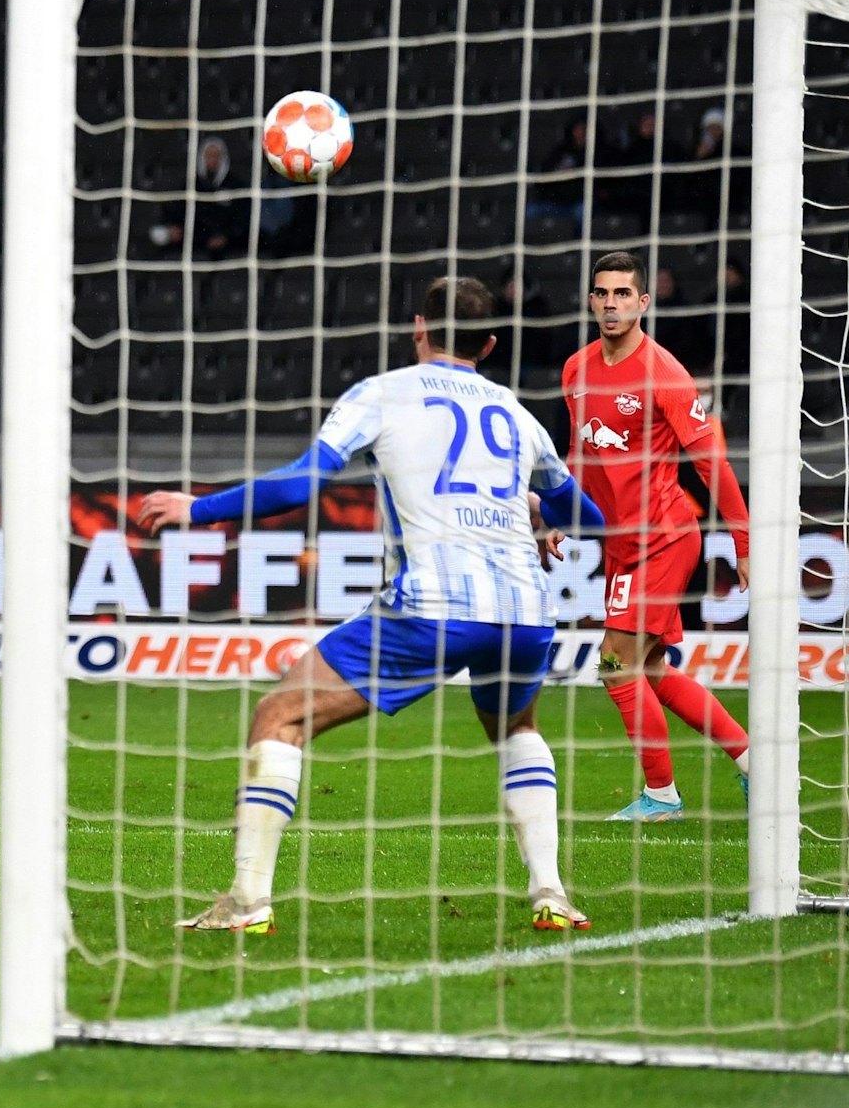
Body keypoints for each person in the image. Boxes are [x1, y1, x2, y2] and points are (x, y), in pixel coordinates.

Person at [138, 275, 604, 935]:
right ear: (491, 343)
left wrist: (199, 507)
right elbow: (580, 511)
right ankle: (551, 892)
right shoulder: (515, 413)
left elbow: (303, 480)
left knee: (279, 717)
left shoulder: (382, 393)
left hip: (434, 605)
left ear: (418, 329)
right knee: (516, 729)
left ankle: (246, 903)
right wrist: (539, 512)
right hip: (525, 611)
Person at [561, 251, 752, 822]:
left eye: (624, 294)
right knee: (648, 670)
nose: (612, 303)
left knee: (614, 662)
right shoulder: (576, 369)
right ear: (592, 300)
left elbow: (712, 463)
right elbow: (581, 457)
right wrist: (556, 513)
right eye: (603, 293)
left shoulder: (664, 373)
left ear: (643, 302)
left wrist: (743, 544)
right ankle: (751, 759)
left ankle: (662, 795)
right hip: (621, 543)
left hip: (667, 536)